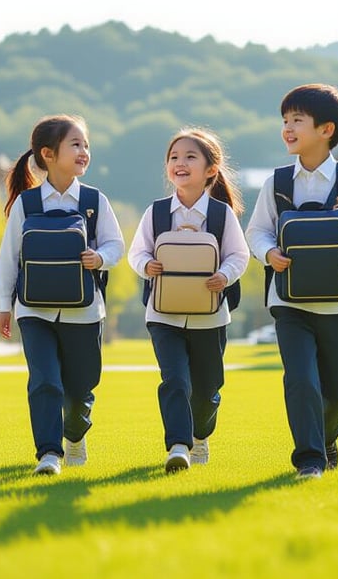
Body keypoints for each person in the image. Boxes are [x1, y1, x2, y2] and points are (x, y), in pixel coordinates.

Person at [245, 84, 338, 480]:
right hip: (289, 302)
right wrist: (268, 253)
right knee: (300, 379)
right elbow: (256, 231)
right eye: (285, 121)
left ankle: (327, 437)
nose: (288, 128)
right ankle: (309, 459)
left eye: (297, 121)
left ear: (327, 129)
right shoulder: (275, 183)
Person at [0, 115, 125, 476]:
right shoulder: (27, 204)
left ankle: (75, 435)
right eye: (76, 144)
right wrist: (4, 305)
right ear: (48, 154)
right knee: (45, 381)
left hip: (84, 312)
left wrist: (101, 257)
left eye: (86, 145)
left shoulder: (95, 201)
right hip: (32, 311)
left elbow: (116, 244)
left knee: (81, 388)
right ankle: (49, 453)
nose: (84, 151)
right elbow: (9, 257)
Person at [128, 128, 250, 474]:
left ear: (211, 169)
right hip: (162, 315)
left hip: (209, 318)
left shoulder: (222, 214)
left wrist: (224, 276)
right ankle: (178, 446)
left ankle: (201, 434)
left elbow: (238, 256)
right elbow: (136, 253)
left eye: (190, 157)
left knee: (208, 388)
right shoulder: (155, 213)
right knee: (175, 380)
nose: (179, 163)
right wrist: (146, 265)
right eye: (174, 157)